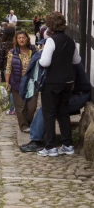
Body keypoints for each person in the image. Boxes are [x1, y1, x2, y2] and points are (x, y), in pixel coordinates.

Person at [37, 12, 82, 157]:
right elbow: (76, 60)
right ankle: (67, 145)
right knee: (63, 113)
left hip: (52, 82)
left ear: (50, 25)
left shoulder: (51, 41)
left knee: (49, 113)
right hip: (68, 81)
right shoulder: (71, 40)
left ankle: (50, 146)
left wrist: (38, 58)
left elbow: (45, 62)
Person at [20, 62, 91, 153]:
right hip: (73, 95)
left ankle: (37, 141)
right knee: (50, 107)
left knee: (46, 108)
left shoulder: (69, 63)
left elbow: (70, 87)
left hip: (79, 96)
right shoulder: (64, 59)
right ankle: (63, 142)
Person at [5, 30, 39, 132]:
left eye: (23, 37)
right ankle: (23, 126)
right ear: (16, 40)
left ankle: (29, 123)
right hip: (17, 81)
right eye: (19, 38)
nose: (21, 39)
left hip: (32, 82)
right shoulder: (12, 52)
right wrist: (7, 82)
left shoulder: (34, 50)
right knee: (20, 107)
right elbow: (8, 68)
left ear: (27, 39)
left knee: (32, 107)